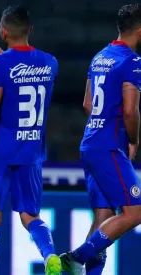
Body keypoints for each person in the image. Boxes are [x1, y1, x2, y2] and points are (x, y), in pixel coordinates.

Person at [0, 5, 61, 275]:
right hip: (31, 152)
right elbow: (24, 75)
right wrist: (6, 60)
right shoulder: (51, 62)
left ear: (3, 31)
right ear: (30, 30)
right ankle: (49, 254)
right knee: (30, 215)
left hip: (1, 153)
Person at [60, 4, 141, 275]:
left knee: (105, 217)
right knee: (135, 212)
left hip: (90, 142)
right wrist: (133, 139)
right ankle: (76, 257)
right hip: (109, 146)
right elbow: (130, 110)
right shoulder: (131, 61)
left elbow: (86, 104)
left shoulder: (99, 57)